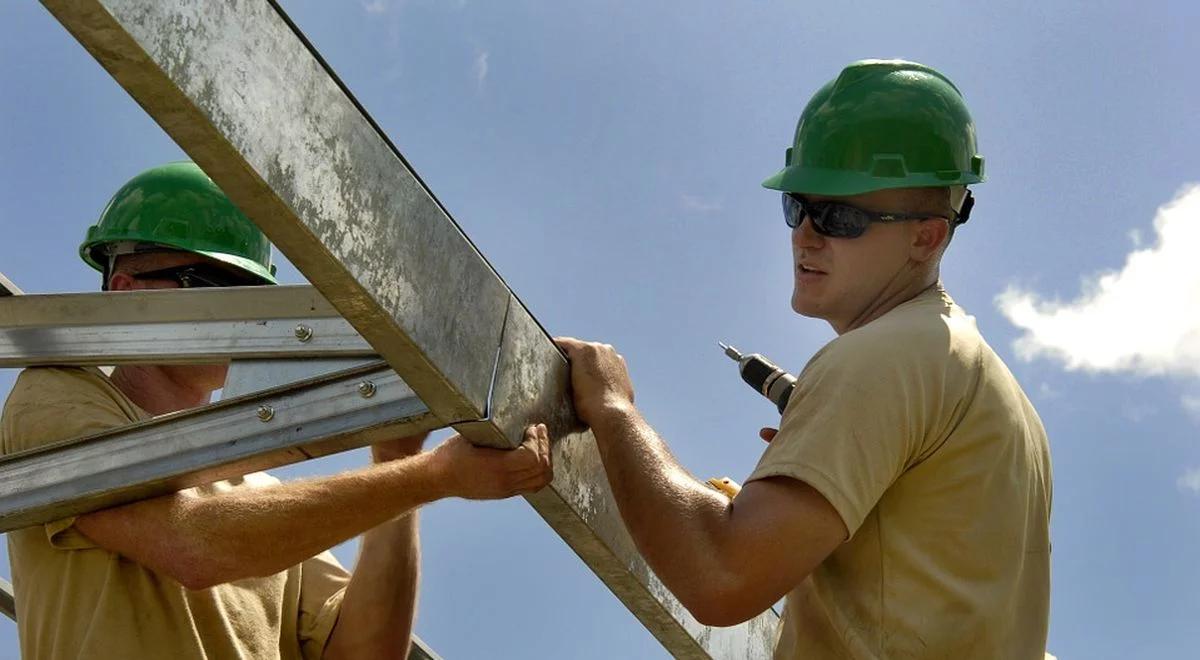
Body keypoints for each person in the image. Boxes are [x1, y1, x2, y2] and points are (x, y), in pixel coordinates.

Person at [557, 60, 1052, 658]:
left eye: (841, 217)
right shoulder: (980, 382)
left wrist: (613, 409)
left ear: (927, 236)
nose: (806, 235)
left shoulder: (883, 358)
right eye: (799, 207)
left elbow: (723, 577)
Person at [1, 161, 554, 659]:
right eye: (213, 283)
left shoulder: (258, 495)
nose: (242, 313)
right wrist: (432, 477)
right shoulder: (59, 396)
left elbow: (365, 653)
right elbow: (191, 544)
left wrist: (395, 459)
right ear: (126, 290)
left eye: (251, 292)